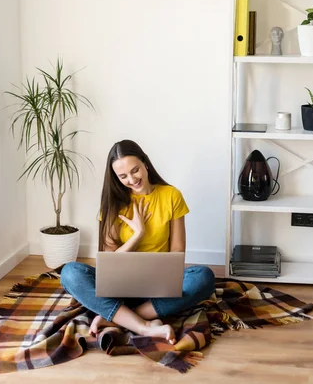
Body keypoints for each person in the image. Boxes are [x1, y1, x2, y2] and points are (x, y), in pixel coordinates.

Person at [60, 139, 215, 345]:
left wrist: (166, 279)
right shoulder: (113, 204)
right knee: (70, 273)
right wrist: (137, 235)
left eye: (135, 171)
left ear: (145, 164)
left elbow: (177, 252)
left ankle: (118, 317)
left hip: (157, 290)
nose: (132, 180)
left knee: (203, 277)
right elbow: (110, 262)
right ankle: (142, 325)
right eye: (123, 176)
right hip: (119, 289)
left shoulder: (171, 196)